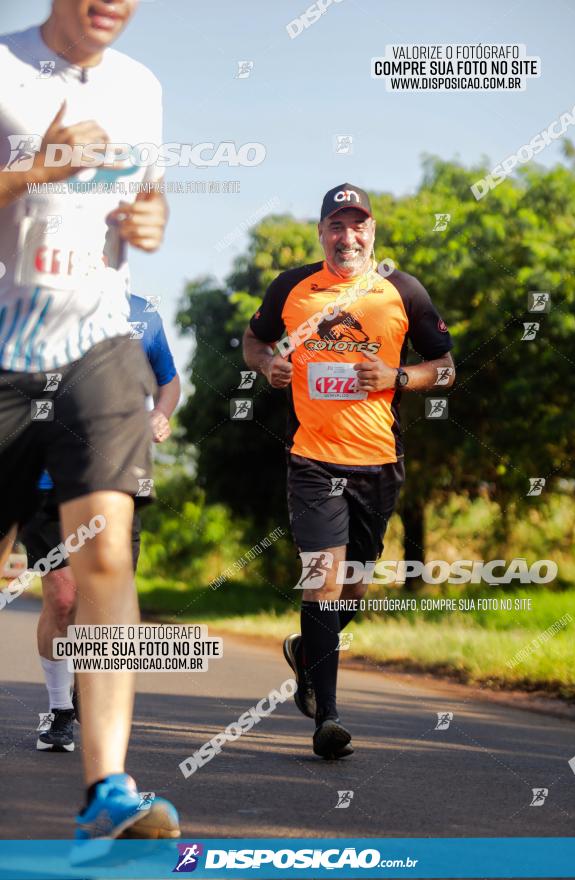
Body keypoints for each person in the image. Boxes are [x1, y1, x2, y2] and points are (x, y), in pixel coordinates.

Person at [0, 0, 179, 839]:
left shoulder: (142, 87)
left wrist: (151, 221)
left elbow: (151, 198)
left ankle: (107, 787)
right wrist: (38, 169)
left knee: (105, 551)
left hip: (98, 339)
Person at [243, 183, 455, 760]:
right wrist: (268, 365)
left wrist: (398, 377)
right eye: (336, 225)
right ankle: (327, 719)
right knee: (324, 580)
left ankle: (307, 650)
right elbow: (254, 341)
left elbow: (445, 368)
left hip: (378, 462)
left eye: (357, 225)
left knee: (354, 585)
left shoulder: (402, 291)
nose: (347, 236)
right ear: (321, 233)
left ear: (372, 233)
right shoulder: (291, 287)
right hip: (312, 459)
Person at [18, 294, 180, 753]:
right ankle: (60, 710)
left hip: (119, 479)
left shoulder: (143, 313)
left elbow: (168, 381)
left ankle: (89, 699)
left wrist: (160, 414)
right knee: (65, 596)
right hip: (49, 480)